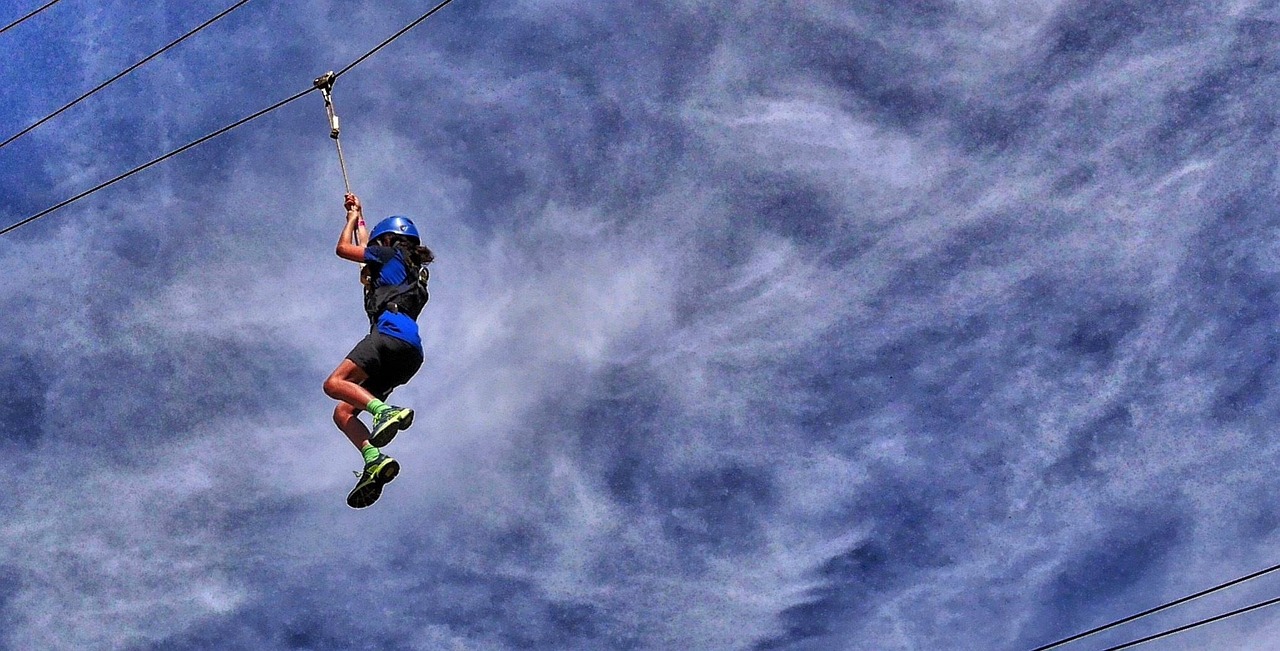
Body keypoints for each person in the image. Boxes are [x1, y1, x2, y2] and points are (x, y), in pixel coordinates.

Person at [322, 193, 433, 508]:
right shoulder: (406, 268)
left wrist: (350, 221)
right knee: (343, 412)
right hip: (409, 353)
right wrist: (359, 214)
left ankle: (386, 413)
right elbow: (369, 248)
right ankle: (374, 459)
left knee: (334, 384)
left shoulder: (387, 256)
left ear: (388, 239)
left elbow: (344, 249)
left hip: (389, 335)